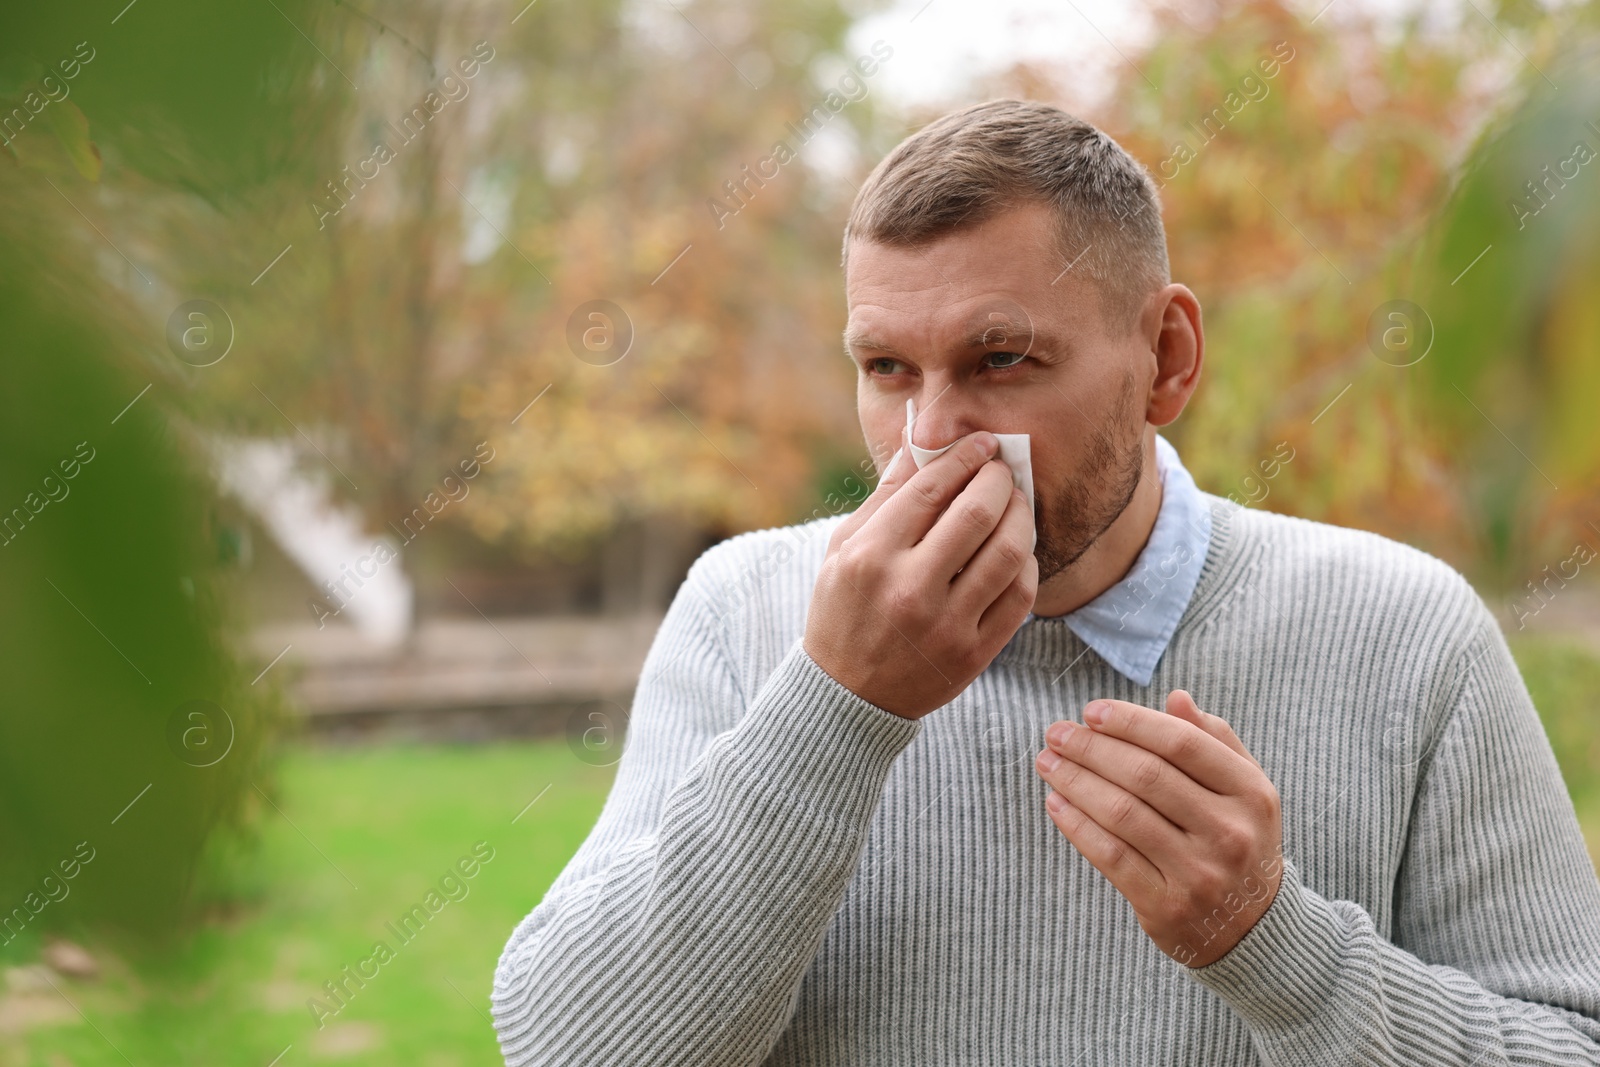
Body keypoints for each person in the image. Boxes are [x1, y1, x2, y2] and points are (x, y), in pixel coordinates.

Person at [491, 99, 1600, 1065]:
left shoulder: (1405, 632)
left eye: (1000, 360)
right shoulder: (746, 609)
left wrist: (1277, 947)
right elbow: (570, 1045)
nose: (927, 441)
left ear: (1165, 358)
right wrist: (836, 704)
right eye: (886, 369)